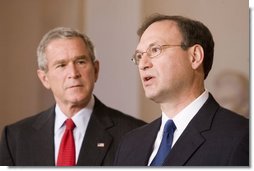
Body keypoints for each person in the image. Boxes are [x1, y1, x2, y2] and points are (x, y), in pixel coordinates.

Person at [114, 14, 249, 166]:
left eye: (155, 50)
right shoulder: (129, 143)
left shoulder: (240, 137)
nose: (143, 64)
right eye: (139, 56)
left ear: (195, 57)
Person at [0, 27, 146, 166]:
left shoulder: (133, 134)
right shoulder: (15, 138)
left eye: (80, 62)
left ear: (95, 70)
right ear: (44, 78)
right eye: (61, 65)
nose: (73, 73)